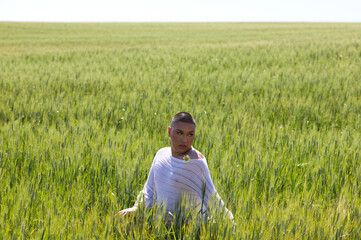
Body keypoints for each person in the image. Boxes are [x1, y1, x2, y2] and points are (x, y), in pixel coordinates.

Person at [119, 112, 234, 228]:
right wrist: (135, 208)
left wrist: (231, 229)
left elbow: (214, 201)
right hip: (159, 228)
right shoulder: (161, 155)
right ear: (169, 131)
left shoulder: (196, 163)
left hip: (188, 232)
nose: (185, 140)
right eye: (180, 133)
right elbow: (149, 189)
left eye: (190, 134)